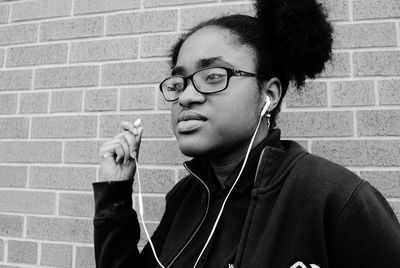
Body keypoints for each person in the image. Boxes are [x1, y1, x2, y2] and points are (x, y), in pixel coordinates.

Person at [93, 0, 400, 267]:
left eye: (213, 76)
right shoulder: (186, 198)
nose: (186, 97)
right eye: (178, 83)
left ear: (269, 94)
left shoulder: (335, 199)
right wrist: (115, 194)